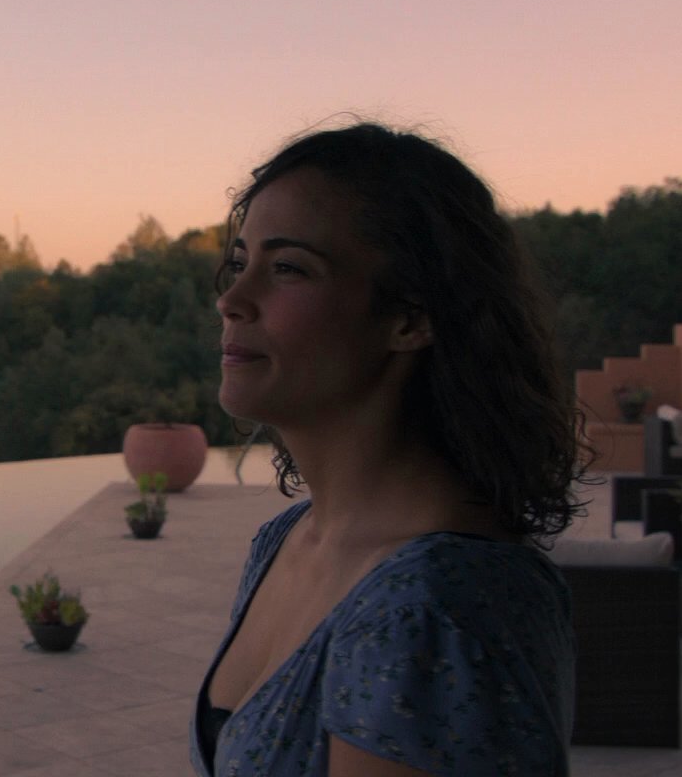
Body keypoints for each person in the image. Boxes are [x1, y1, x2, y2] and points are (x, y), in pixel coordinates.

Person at [190, 121, 590, 776]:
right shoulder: (286, 541)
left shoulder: (438, 611)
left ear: (410, 318)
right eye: (240, 264)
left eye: (287, 268)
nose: (232, 300)